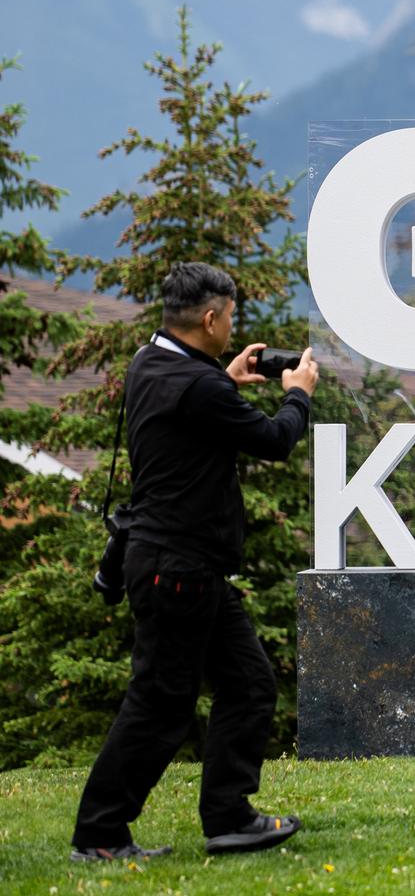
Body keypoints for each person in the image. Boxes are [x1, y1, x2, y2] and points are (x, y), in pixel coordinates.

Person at [69, 263, 319, 862]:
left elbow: (194, 408)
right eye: (230, 318)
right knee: (159, 704)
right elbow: (274, 440)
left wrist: (223, 378)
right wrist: (297, 393)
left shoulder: (149, 364)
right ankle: (100, 834)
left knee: (249, 684)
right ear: (210, 318)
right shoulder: (199, 387)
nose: (233, 330)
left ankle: (230, 818)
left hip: (179, 566)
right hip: (177, 569)